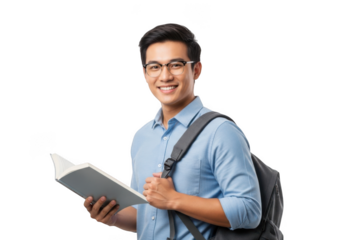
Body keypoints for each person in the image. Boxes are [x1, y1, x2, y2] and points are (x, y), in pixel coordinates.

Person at [83, 22, 262, 239]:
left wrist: (174, 199)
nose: (165, 76)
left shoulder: (221, 132)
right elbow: (145, 214)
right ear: (145, 73)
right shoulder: (142, 136)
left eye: (175, 65)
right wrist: (113, 218)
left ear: (196, 70)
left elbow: (249, 210)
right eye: (155, 67)